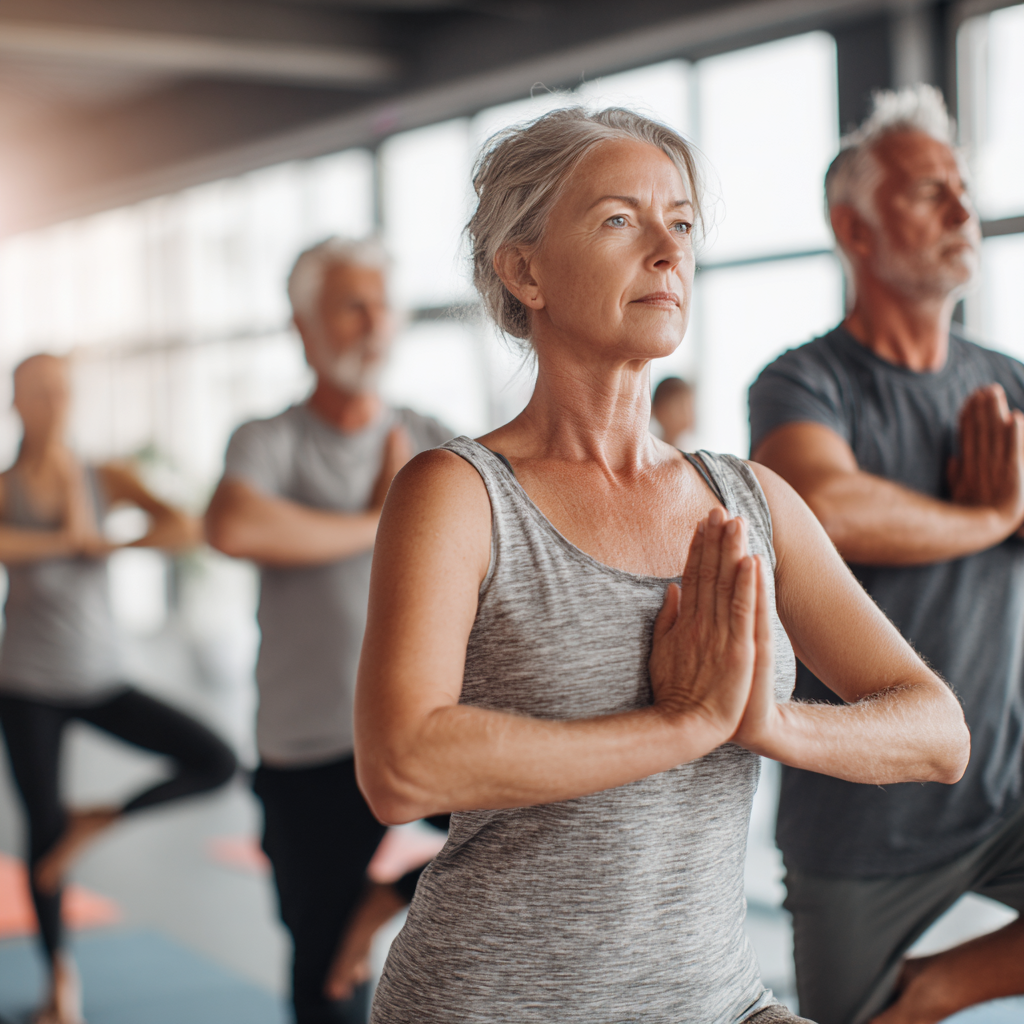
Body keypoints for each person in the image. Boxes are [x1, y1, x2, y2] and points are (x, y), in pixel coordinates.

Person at [354, 106, 969, 1024]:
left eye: (680, 223)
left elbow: (937, 732)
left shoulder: (751, 499)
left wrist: (762, 721)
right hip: (490, 1004)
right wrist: (682, 727)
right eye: (618, 219)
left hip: (716, 1003)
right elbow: (402, 766)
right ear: (525, 271)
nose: (667, 250)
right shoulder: (459, 493)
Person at [748, 85, 1024, 1024]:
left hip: (1001, 794)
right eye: (926, 192)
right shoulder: (803, 382)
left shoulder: (1007, 385)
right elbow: (819, 507)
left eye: (962, 189)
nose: (961, 211)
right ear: (855, 230)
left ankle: (943, 983)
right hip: (859, 822)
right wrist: (989, 519)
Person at [204, 237, 452, 1024]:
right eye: (351, 306)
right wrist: (379, 520)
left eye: (384, 306)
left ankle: (387, 896)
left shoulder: (428, 435)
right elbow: (235, 524)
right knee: (323, 979)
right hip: (309, 745)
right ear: (304, 328)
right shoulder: (268, 439)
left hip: (426, 725)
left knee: (553, 827)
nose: (373, 324)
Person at [0, 353, 237, 1024]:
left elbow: (185, 526)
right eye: (38, 390)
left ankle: (98, 818)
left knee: (215, 760)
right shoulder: (6, 487)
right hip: (24, 686)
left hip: (101, 677)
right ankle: (59, 988)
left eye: (61, 388)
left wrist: (111, 545)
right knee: (42, 838)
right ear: (16, 401)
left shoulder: (104, 478)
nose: (53, 400)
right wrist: (63, 544)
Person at [651, 374, 696, 448]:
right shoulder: (650, 448)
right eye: (681, 406)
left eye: (690, 406)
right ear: (661, 411)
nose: (688, 413)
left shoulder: (690, 450)